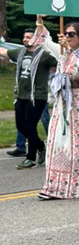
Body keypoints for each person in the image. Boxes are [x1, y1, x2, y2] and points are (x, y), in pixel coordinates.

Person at [35, 19, 79, 199]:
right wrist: (39, 24)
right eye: (65, 34)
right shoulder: (62, 52)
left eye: (71, 34)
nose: (67, 37)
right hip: (63, 102)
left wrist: (67, 51)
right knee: (58, 141)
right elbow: (45, 42)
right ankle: (56, 186)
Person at [0, 28, 57, 168]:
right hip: (21, 95)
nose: (25, 39)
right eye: (24, 37)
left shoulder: (45, 56)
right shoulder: (20, 52)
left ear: (36, 39)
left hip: (37, 96)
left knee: (30, 126)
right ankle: (41, 147)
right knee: (21, 126)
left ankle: (31, 158)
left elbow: (59, 64)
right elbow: (4, 52)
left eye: (28, 37)